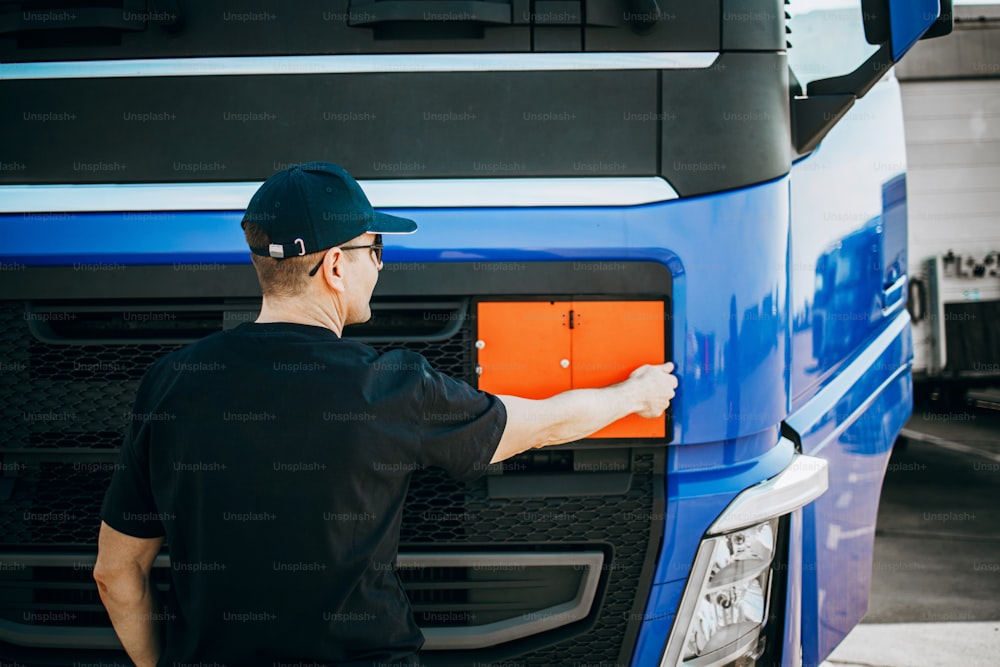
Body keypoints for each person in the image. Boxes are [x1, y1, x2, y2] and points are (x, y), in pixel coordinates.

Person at [93, 162, 678, 666]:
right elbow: (540, 423)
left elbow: (116, 574)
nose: (380, 265)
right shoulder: (388, 386)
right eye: (375, 248)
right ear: (335, 267)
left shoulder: (171, 383)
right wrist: (635, 395)